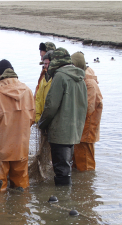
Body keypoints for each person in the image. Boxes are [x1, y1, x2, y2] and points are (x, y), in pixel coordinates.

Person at [0, 60, 35, 192]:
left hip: (0, 150)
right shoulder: (27, 91)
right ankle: (21, 210)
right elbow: (32, 119)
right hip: (21, 148)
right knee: (21, 189)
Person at [38, 48, 88, 185]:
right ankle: (67, 197)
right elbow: (84, 105)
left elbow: (51, 105)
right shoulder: (80, 77)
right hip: (74, 132)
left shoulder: (60, 76)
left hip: (60, 132)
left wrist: (41, 123)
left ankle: (62, 200)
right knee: (66, 167)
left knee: (60, 169)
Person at [71, 51, 103, 171]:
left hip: (86, 128)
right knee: (79, 160)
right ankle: (81, 186)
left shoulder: (89, 83)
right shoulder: (84, 80)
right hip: (82, 128)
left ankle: (85, 186)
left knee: (85, 164)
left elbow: (87, 109)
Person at [35, 50, 53, 123]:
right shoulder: (43, 80)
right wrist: (37, 118)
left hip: (51, 122)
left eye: (48, 64)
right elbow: (38, 99)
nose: (46, 66)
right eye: (45, 64)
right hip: (42, 121)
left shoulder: (57, 80)